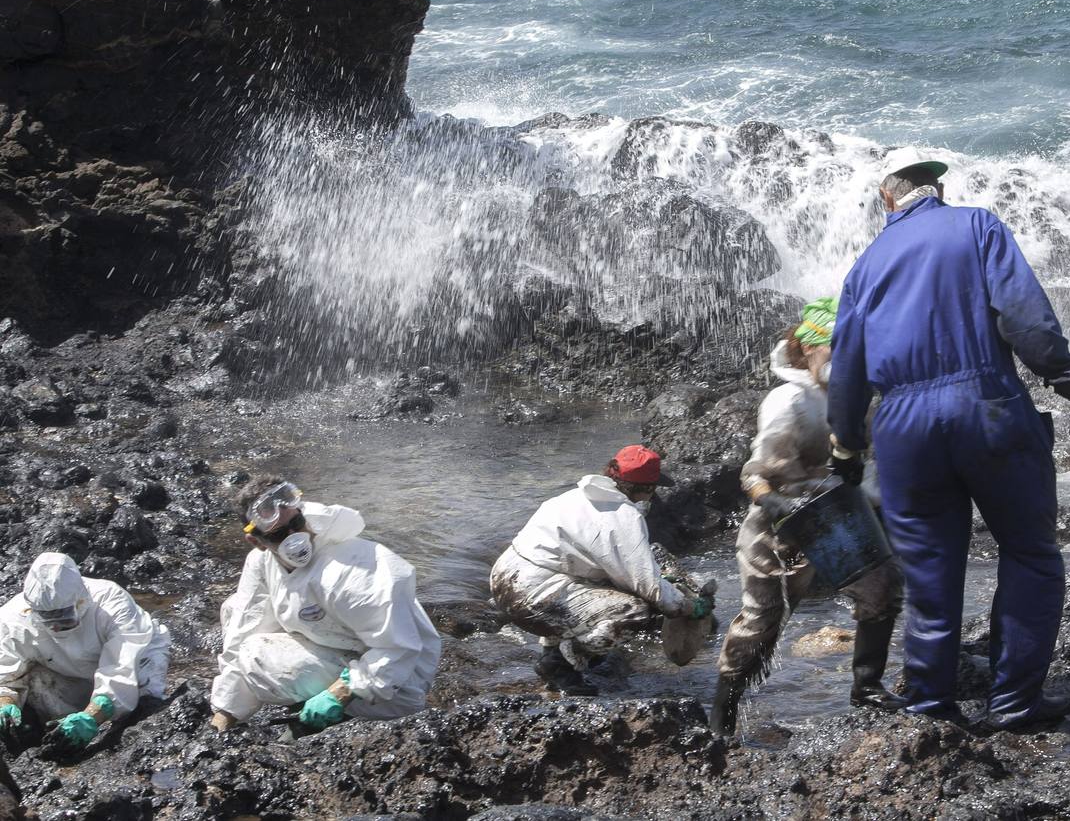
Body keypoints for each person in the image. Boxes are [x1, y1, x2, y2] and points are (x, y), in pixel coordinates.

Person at [828, 148, 1070, 731]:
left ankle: (931, 706)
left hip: (902, 426)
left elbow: (847, 366)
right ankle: (1015, 703)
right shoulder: (977, 225)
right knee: (1029, 554)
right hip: (987, 408)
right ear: (936, 188)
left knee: (929, 571)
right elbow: (1027, 321)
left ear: (886, 197)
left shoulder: (865, 266)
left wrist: (847, 447)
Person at [710, 298, 904, 736]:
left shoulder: (855, 398)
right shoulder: (789, 399)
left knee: (882, 586)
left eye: (852, 349)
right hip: (779, 523)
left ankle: (867, 688)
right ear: (806, 348)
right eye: (834, 348)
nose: (844, 359)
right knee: (763, 621)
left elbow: (867, 458)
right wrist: (770, 501)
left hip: (837, 514)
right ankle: (723, 714)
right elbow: (755, 471)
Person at [209, 477, 442, 733]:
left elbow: (398, 649)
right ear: (257, 542)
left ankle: (343, 714)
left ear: (302, 513)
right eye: (277, 535)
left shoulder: (351, 570)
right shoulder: (261, 563)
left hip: (397, 685)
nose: (293, 537)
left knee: (255, 654)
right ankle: (300, 704)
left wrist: (340, 693)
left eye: (297, 524)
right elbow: (243, 632)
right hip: (337, 649)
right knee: (235, 610)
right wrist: (225, 714)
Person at [490, 445, 711, 696]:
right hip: (533, 596)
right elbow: (648, 587)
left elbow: (609, 568)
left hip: (504, 578)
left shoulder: (572, 497)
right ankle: (561, 663)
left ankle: (553, 654)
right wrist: (688, 606)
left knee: (593, 590)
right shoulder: (623, 516)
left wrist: (660, 582)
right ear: (647, 489)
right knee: (635, 612)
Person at [0, 552, 170, 754]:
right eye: (48, 620)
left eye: (63, 618)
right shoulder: (12, 619)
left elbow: (121, 668)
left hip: (136, 657)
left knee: (143, 703)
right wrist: (5, 704)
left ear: (81, 601)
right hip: (65, 668)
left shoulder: (111, 604)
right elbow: (7, 672)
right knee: (34, 683)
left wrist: (92, 716)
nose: (55, 627)